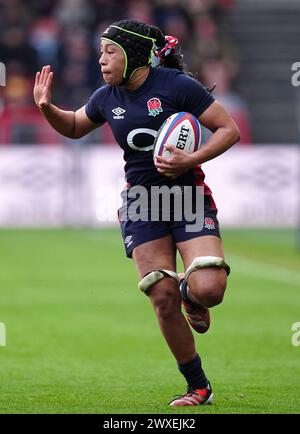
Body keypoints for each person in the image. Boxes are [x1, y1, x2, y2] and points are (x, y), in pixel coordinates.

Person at [33, 19, 240, 406]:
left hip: (187, 197)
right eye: (100, 53)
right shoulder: (106, 96)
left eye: (110, 52)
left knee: (210, 289)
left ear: (136, 56)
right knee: (160, 297)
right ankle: (198, 386)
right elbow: (76, 126)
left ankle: (189, 291)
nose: (102, 61)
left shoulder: (177, 87)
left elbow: (228, 130)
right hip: (142, 203)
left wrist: (190, 159)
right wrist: (47, 108)